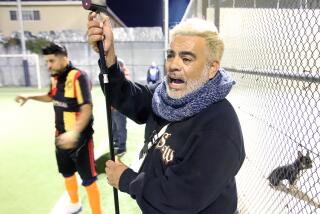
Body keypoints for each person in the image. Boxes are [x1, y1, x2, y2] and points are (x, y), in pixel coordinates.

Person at [88, 13, 245, 214]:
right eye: (171, 55)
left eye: (186, 58)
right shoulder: (165, 97)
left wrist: (127, 179)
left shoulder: (220, 125)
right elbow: (125, 96)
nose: (173, 64)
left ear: (211, 68)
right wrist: (108, 55)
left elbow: (180, 200)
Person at [15, 43, 101, 214]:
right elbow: (50, 96)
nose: (48, 66)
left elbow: (86, 107)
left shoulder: (78, 77)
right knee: (67, 173)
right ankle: (75, 204)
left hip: (80, 140)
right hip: (60, 136)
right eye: (46, 62)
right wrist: (30, 96)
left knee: (88, 180)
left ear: (64, 58)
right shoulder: (55, 78)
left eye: (51, 61)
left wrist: (74, 133)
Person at [111, 58, 129, 156]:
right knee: (114, 126)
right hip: (113, 107)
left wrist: (115, 105)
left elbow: (122, 94)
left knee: (120, 127)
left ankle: (122, 147)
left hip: (119, 108)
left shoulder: (123, 77)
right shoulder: (115, 76)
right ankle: (116, 143)